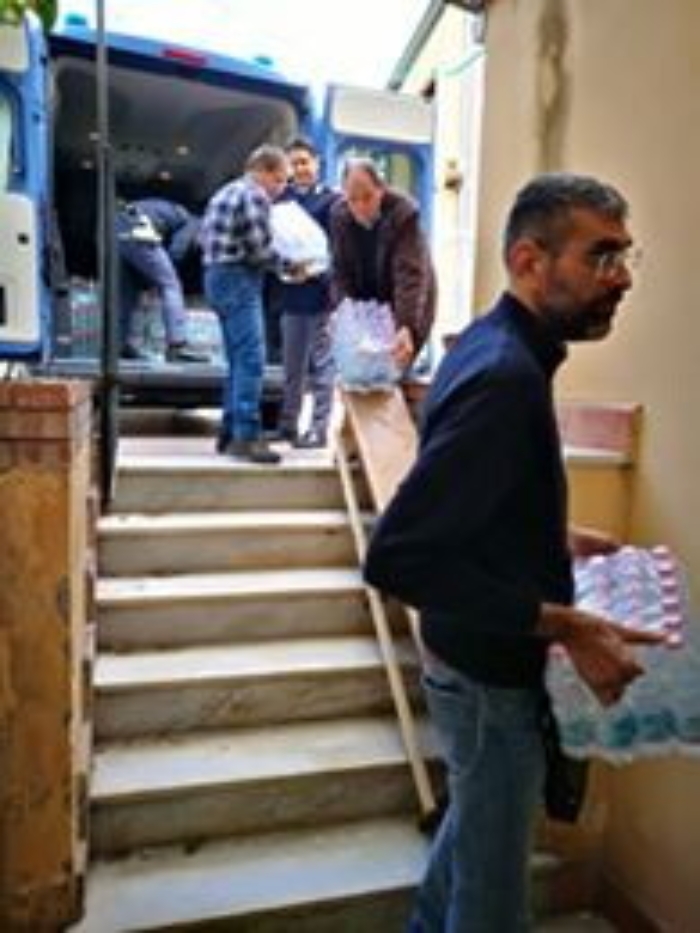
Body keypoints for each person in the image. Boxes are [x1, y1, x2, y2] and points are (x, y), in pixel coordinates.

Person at [363, 173, 665, 932]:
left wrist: (550, 536)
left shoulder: (492, 347)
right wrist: (567, 624)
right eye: (601, 256)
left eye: (626, 256)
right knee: (492, 903)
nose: (623, 278)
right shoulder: (504, 376)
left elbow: (472, 501)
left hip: (473, 661)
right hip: (488, 679)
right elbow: (398, 558)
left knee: (475, 830)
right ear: (530, 261)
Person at [200, 145, 291, 465]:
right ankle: (246, 437)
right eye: (280, 180)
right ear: (263, 171)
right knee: (252, 359)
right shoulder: (254, 195)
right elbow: (258, 250)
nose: (281, 189)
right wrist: (291, 266)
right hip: (238, 277)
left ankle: (228, 434)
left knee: (236, 361)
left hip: (215, 277)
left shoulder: (225, 192)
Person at [329, 157, 436, 371]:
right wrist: (342, 313)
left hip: (408, 302)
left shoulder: (404, 213)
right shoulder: (340, 216)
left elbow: (409, 275)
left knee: (394, 367)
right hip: (367, 301)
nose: (361, 206)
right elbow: (341, 273)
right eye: (352, 199)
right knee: (359, 368)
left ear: (381, 190)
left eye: (368, 197)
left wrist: (405, 326)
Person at [267, 138, 340, 449]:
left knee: (322, 366)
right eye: (293, 163)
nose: (299, 169)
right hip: (291, 293)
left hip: (322, 294)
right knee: (292, 368)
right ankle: (287, 426)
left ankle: (318, 429)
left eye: (304, 162)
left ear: (317, 163)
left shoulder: (333, 201)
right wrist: (283, 265)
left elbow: (339, 248)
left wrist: (322, 271)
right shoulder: (279, 200)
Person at [116, 197, 207, 363]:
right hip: (137, 227)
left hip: (115, 228)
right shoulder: (195, 222)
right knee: (171, 284)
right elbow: (177, 250)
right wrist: (160, 276)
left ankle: (119, 344)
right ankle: (177, 345)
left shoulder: (168, 210)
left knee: (126, 292)